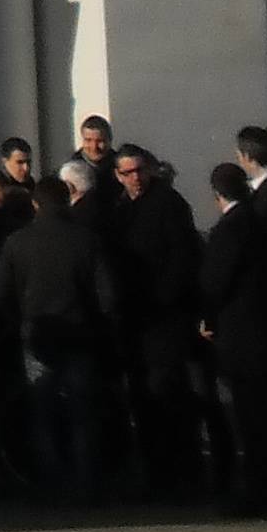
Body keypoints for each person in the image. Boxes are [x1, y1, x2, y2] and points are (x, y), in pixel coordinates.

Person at [0, 163, 112, 504]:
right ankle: (87, 484)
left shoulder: (17, 242)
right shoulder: (86, 240)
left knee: (43, 412)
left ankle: (51, 485)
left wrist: (19, 319)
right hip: (79, 336)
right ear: (69, 199)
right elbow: (108, 296)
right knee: (82, 414)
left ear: (35, 204)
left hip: (37, 336)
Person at [112, 146, 205, 500]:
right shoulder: (121, 208)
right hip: (136, 320)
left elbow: (182, 259)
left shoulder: (168, 204)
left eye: (138, 170)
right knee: (145, 399)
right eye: (127, 172)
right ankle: (157, 472)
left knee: (168, 395)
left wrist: (162, 299)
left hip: (163, 318)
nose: (134, 178)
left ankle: (181, 474)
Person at [202, 160, 267, 516]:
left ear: (218, 194)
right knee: (266, 418)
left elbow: (214, 282)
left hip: (239, 338)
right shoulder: (262, 224)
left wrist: (206, 317)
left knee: (249, 420)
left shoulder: (229, 229)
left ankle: (257, 493)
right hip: (266, 333)